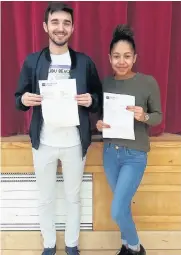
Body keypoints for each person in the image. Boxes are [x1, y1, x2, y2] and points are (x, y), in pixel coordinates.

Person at [15, 2, 102, 255]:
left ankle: (72, 245)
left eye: (66, 23)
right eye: (55, 22)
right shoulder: (33, 62)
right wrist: (23, 100)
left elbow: (98, 95)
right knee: (45, 198)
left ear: (73, 28)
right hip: (43, 142)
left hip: (75, 142)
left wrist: (91, 100)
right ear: (45, 26)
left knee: (74, 197)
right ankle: (50, 245)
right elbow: (17, 98)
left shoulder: (84, 62)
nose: (60, 28)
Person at [96, 24, 162, 255]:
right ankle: (126, 245)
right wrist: (98, 124)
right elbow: (103, 116)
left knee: (116, 210)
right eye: (116, 56)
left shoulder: (148, 83)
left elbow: (158, 117)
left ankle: (135, 247)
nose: (121, 61)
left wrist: (142, 115)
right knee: (122, 206)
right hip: (110, 153)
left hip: (135, 155)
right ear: (109, 58)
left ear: (135, 57)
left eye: (126, 56)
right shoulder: (106, 83)